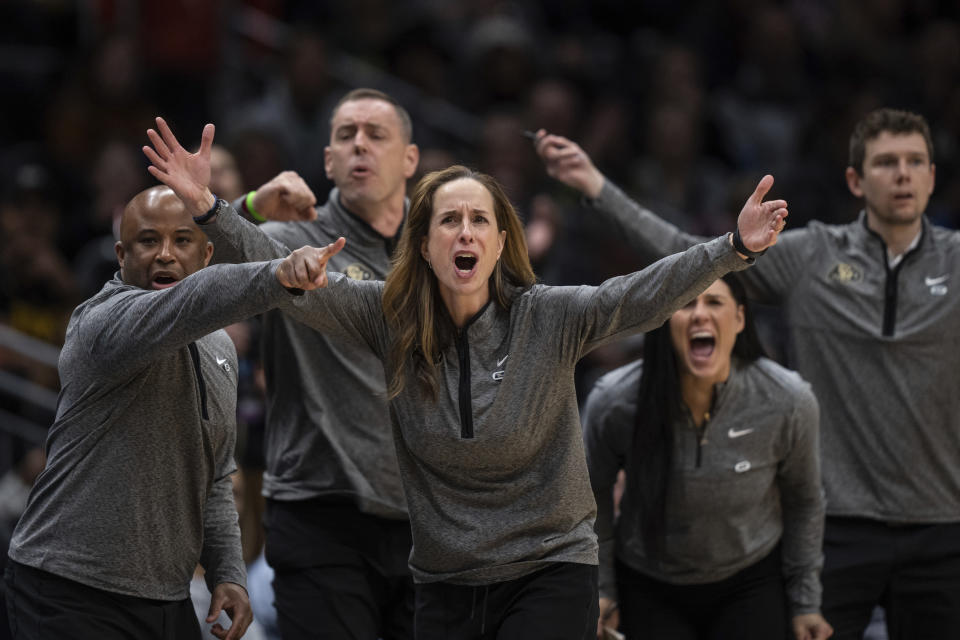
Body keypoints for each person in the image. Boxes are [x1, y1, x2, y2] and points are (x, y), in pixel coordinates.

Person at [142, 115, 788, 639]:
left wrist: (733, 248)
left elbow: (639, 294)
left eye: (480, 220)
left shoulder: (548, 317)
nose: (465, 231)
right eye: (449, 220)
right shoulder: (389, 319)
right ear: (422, 245)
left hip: (548, 568)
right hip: (445, 585)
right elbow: (284, 275)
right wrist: (208, 209)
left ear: (502, 243)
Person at [534, 107, 960, 640]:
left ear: (933, 176)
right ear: (855, 179)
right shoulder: (812, 256)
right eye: (887, 162)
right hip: (838, 527)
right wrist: (597, 186)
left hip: (945, 523)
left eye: (916, 161)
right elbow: (687, 261)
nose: (903, 174)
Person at [3, 181, 343, 640]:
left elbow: (216, 475)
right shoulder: (98, 323)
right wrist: (276, 272)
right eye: (148, 240)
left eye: (182, 240)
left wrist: (228, 572)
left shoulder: (220, 348)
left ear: (205, 256)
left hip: (166, 596)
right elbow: (194, 300)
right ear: (121, 256)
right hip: (67, 586)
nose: (165, 254)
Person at [214, 88, 421, 639]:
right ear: (327, 159)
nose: (360, 145)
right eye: (346, 135)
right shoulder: (288, 240)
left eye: (376, 135)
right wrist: (251, 207)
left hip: (429, 524)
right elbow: (185, 267)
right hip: (318, 514)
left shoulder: (438, 254)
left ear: (409, 159)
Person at [583, 274, 831, 640]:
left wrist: (806, 602)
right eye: (685, 303)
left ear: (740, 319)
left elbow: (805, 501)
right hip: (648, 581)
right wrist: (602, 591)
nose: (699, 314)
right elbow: (591, 498)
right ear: (662, 319)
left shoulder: (787, 400)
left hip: (750, 577)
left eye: (714, 302)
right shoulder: (614, 402)